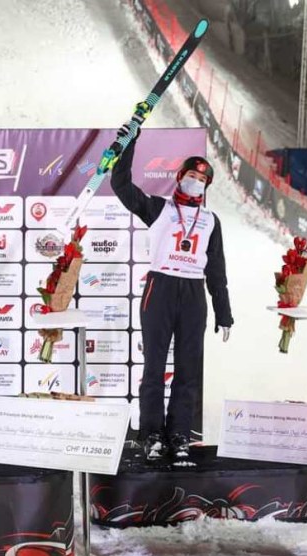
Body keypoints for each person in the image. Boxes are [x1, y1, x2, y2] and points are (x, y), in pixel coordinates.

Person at [110, 124, 233, 462]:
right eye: (192, 175)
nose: (196, 182)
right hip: (160, 287)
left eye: (203, 180)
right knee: (153, 366)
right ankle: (150, 434)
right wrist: (128, 143)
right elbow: (120, 185)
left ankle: (179, 434)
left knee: (188, 368)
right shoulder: (159, 208)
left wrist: (224, 313)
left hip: (194, 292)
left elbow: (217, 270)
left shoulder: (210, 221)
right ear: (180, 177)